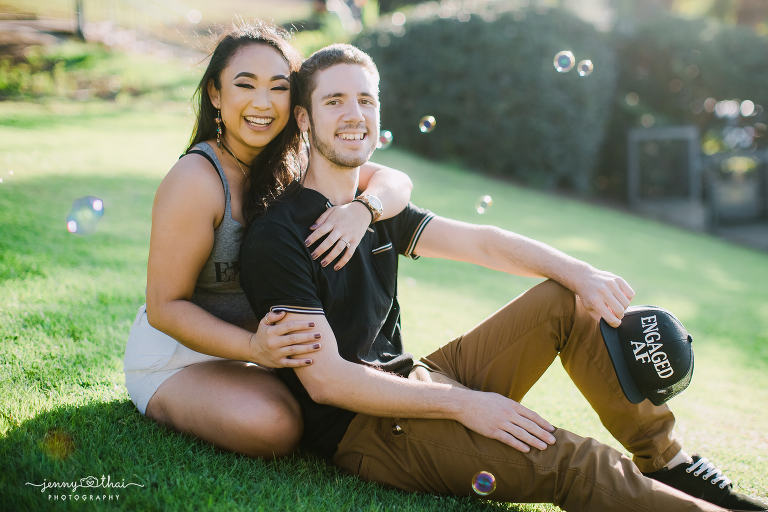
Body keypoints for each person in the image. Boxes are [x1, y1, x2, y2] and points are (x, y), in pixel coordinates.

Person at [239, 43, 767, 511]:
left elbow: (483, 241)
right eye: (334, 102)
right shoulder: (279, 234)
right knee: (573, 461)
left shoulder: (373, 210)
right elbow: (327, 381)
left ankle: (667, 462)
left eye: (366, 100)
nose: (355, 115)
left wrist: (581, 272)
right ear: (304, 120)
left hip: (420, 379)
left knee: (568, 299)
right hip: (368, 430)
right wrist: (467, 404)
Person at [121, 22, 415, 459]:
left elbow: (395, 179)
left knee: (321, 403)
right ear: (216, 96)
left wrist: (362, 209)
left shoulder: (295, 162)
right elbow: (165, 307)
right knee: (275, 427)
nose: (263, 103)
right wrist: (253, 347)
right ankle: (166, 398)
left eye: (278, 88)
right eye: (245, 85)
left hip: (260, 357)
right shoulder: (196, 181)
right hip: (181, 355)